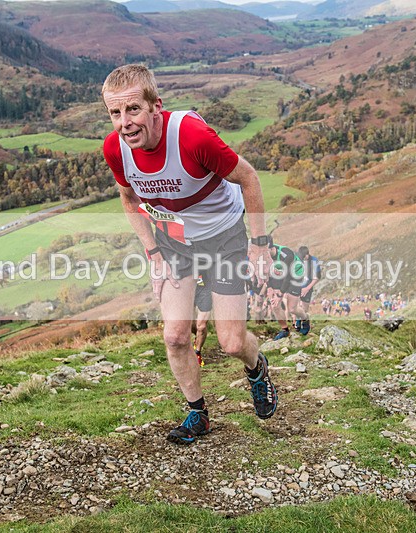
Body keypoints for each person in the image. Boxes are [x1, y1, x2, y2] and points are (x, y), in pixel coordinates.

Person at [101, 64, 277, 445]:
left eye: (133, 110)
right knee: (176, 336)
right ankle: (198, 413)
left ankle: (256, 367)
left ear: (155, 107)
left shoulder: (192, 137)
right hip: (173, 244)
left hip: (222, 237)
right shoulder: (115, 148)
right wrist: (152, 252)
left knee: (231, 342)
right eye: (115, 113)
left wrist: (260, 245)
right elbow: (128, 197)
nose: (124, 123)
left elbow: (248, 177)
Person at [265, 238, 308, 340]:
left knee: (292, 308)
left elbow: (287, 278)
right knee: (274, 305)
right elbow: (265, 272)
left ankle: (305, 319)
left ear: (271, 248)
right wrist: (269, 286)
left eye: (266, 252)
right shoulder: (264, 256)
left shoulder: (286, 254)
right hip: (280, 274)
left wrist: (280, 294)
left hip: (295, 275)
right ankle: (285, 330)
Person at [295, 246, 321, 335]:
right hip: (297, 286)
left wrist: (307, 288)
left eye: (304, 258)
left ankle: (306, 325)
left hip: (307, 286)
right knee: (296, 306)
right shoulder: (297, 259)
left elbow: (317, 277)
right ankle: (298, 321)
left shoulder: (314, 261)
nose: (303, 260)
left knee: (305, 308)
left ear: (307, 254)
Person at [192, 276, 211, 366]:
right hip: (187, 289)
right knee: (189, 323)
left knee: (202, 326)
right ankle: (197, 339)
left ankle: (197, 352)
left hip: (205, 289)